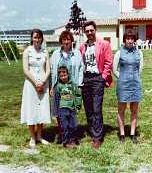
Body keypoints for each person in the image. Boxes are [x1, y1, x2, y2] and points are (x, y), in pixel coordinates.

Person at [79, 21, 113, 149]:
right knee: (88, 108)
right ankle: (93, 132)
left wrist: (103, 77)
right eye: (87, 31)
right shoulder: (83, 47)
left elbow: (108, 62)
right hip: (86, 79)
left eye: (91, 30)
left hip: (98, 78)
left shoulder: (104, 44)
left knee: (96, 108)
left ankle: (98, 138)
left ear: (95, 30)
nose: (89, 33)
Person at [50, 30, 83, 144]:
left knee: (71, 112)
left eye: (68, 39)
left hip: (71, 88)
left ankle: (72, 136)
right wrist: (51, 86)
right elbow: (52, 71)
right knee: (60, 112)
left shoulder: (77, 54)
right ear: (61, 41)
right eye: (64, 39)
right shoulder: (55, 54)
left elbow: (80, 70)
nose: (66, 41)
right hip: (58, 88)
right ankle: (63, 134)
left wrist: (79, 85)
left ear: (71, 41)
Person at [21, 29, 51, 148]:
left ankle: (39, 135)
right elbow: (25, 70)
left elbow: (48, 69)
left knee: (42, 109)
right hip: (31, 84)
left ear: (42, 39)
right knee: (31, 109)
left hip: (43, 83)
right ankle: (32, 137)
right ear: (32, 38)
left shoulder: (45, 52)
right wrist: (35, 83)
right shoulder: (27, 51)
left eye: (39, 37)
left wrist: (43, 82)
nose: (37, 40)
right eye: (35, 37)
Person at [113, 29, 143, 144]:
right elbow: (114, 69)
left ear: (134, 41)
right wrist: (123, 77)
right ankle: (122, 134)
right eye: (128, 39)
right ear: (124, 40)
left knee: (134, 110)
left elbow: (140, 69)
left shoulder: (139, 53)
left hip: (135, 84)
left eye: (132, 39)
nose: (130, 41)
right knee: (121, 109)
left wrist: (134, 77)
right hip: (123, 85)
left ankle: (132, 133)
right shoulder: (119, 53)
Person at [55, 66, 82, 148]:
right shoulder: (58, 86)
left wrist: (77, 106)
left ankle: (73, 140)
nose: (63, 77)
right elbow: (57, 99)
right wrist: (57, 111)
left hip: (72, 108)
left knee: (73, 125)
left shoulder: (73, 85)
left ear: (68, 74)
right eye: (61, 76)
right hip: (62, 109)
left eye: (65, 75)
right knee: (65, 126)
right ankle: (66, 142)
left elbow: (78, 95)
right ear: (59, 77)